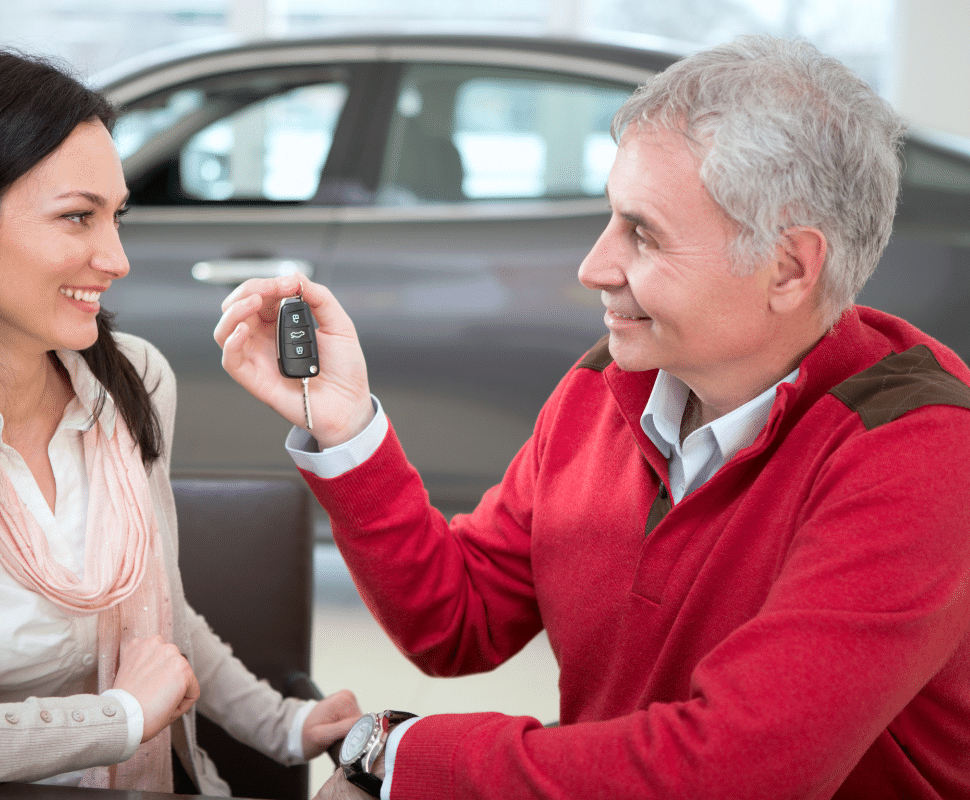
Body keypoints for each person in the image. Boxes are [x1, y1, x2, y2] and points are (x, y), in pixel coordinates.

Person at [214, 34, 970, 799]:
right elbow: (458, 621)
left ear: (788, 267)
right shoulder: (607, 387)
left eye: (642, 233)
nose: (594, 267)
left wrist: (407, 755)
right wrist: (347, 429)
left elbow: (735, 771)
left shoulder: (921, 454)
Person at [0, 48, 360, 799]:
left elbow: (160, 615)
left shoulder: (134, 381)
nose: (114, 258)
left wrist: (282, 724)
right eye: (77, 217)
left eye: (116, 216)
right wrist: (114, 720)